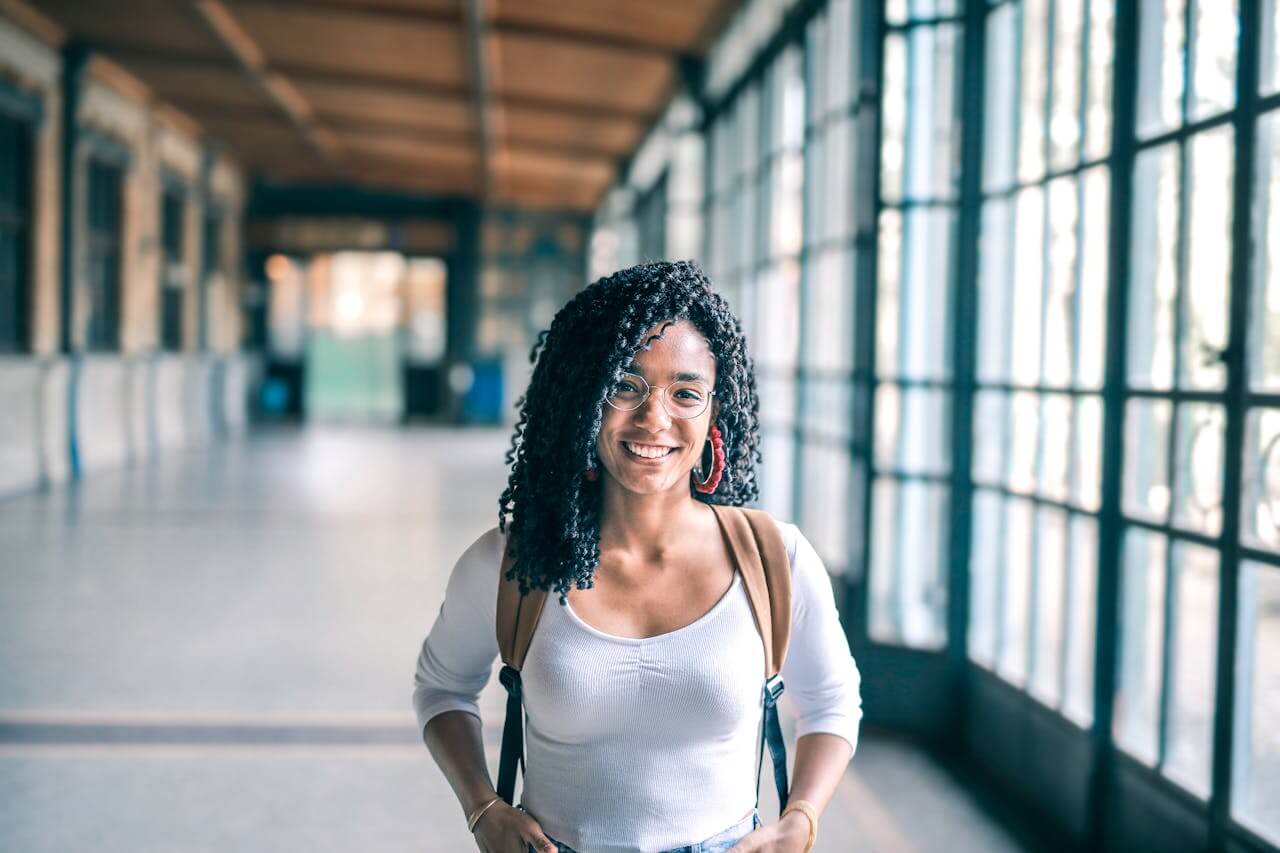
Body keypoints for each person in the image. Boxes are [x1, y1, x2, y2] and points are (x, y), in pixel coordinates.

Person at [413, 261, 862, 853]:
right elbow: (442, 689)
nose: (655, 418)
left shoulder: (773, 558)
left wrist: (799, 819)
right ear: (584, 399)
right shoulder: (514, 563)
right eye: (625, 385)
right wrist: (482, 808)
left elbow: (832, 702)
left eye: (686, 393)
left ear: (713, 412)